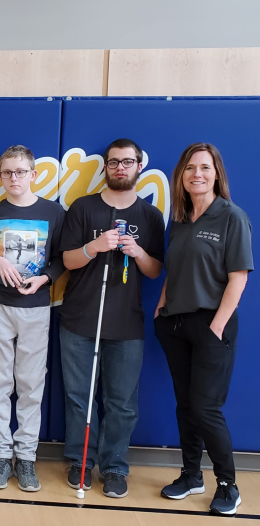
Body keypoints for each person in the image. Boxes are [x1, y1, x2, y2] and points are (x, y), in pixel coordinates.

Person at [59, 138, 164, 498]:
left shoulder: (150, 217)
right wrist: (94, 247)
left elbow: (155, 271)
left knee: (121, 401)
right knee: (79, 397)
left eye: (128, 162)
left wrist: (137, 252)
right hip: (79, 319)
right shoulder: (82, 208)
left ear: (138, 166)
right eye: (114, 162)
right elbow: (68, 262)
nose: (121, 167)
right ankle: (80, 460)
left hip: (126, 324)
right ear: (105, 167)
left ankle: (115, 466)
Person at [154, 143, 252, 516]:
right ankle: (191, 475)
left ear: (216, 174)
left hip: (213, 324)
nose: (197, 173)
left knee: (206, 407)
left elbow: (238, 278)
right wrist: (161, 306)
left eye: (205, 167)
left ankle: (228, 484)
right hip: (175, 324)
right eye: (190, 167)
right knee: (185, 405)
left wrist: (216, 327)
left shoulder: (231, 216)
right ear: (182, 174)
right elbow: (175, 269)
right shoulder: (178, 219)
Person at [0, 145, 65, 491]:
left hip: (36, 310)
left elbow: (60, 260)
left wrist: (45, 278)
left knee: (30, 386)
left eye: (21, 172)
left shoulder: (54, 213)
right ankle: (0, 456)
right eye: (7, 172)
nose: (14, 178)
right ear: (0, 176)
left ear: (34, 175)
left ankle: (26, 459)